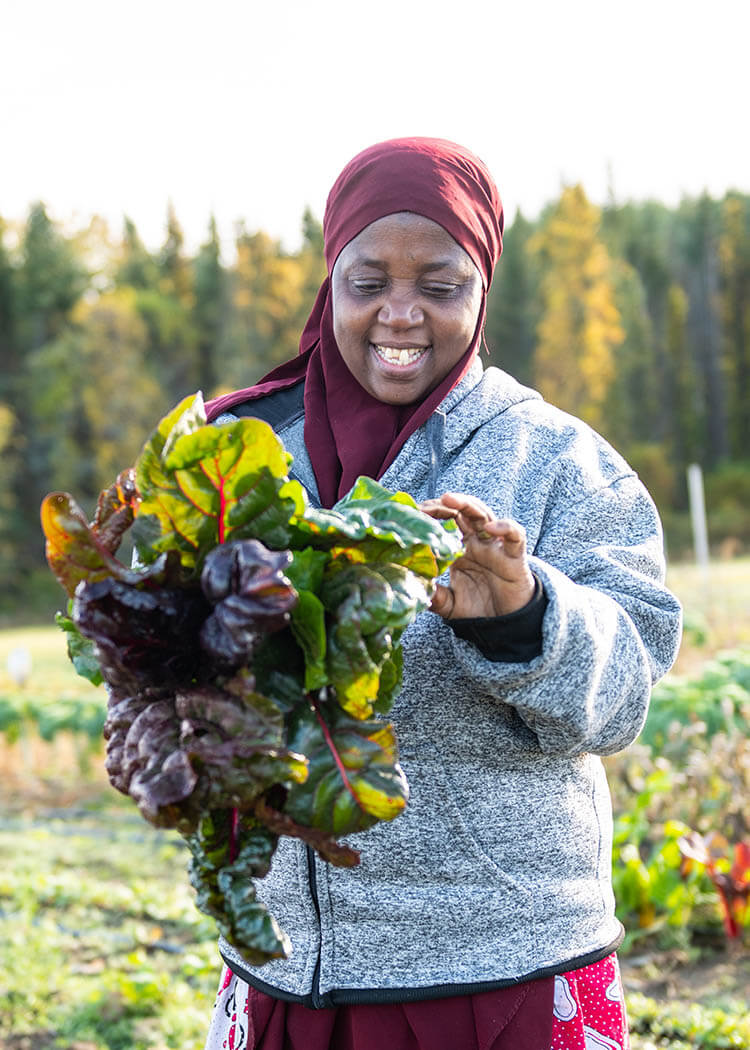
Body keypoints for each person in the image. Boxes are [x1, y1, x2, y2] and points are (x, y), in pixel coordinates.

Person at [202, 137, 682, 1050]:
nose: (401, 314)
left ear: (482, 290)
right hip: (288, 967)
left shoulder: (557, 461)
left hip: (499, 969)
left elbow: (624, 697)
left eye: (440, 284)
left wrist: (525, 614)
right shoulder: (247, 452)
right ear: (329, 283)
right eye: (369, 280)